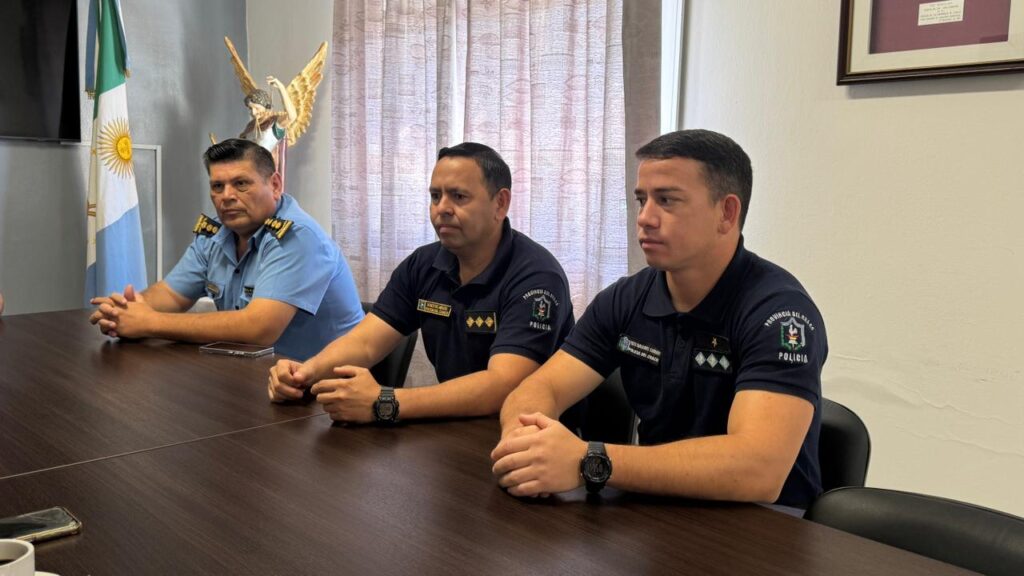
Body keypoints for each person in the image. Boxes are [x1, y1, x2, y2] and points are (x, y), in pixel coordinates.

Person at [491, 129, 827, 509]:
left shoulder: (781, 315)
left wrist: (589, 460)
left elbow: (757, 469)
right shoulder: (626, 298)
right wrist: (524, 444)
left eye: (667, 200)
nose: (645, 218)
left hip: (763, 523)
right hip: (660, 507)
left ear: (726, 213)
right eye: (641, 200)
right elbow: (542, 389)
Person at [268, 143, 576, 426]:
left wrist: (385, 402)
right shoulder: (423, 264)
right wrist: (303, 373)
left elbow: (503, 385)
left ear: (500, 203)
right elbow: (365, 343)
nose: (442, 208)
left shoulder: (537, 277)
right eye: (435, 196)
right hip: (455, 429)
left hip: (534, 438)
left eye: (459, 196)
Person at [89, 138, 363, 361]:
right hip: (254, 374)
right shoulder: (215, 233)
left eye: (241, 183)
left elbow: (259, 328)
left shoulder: (297, 237)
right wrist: (126, 311)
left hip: (327, 386)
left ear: (275, 185)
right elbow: (171, 294)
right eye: (217, 186)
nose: (227, 196)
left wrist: (149, 322)